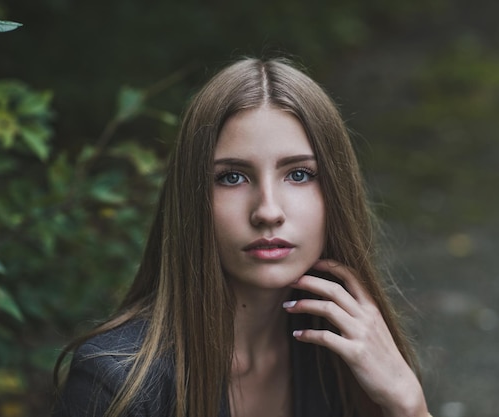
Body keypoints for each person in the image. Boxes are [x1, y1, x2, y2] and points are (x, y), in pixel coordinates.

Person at [53, 57, 430, 417]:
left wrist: (408, 406)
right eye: (232, 177)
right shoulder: (115, 384)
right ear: (192, 200)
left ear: (337, 192)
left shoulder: (344, 357)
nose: (267, 211)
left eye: (298, 174)